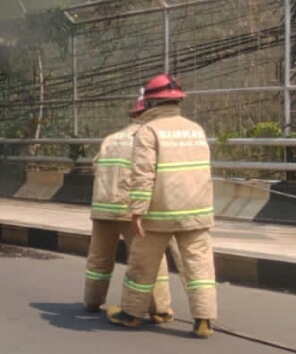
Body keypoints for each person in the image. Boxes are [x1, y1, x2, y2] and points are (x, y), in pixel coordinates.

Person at [107, 74, 217, 338]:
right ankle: (204, 321)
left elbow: (143, 174)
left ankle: (132, 314)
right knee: (199, 267)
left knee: (142, 264)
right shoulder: (196, 129)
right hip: (197, 212)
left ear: (151, 103)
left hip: (159, 213)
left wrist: (137, 212)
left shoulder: (149, 131)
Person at [84, 95, 174, 320]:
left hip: (103, 208)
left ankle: (93, 300)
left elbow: (96, 165)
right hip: (129, 209)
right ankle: (160, 308)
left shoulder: (111, 139)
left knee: (99, 258)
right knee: (150, 259)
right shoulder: (146, 139)